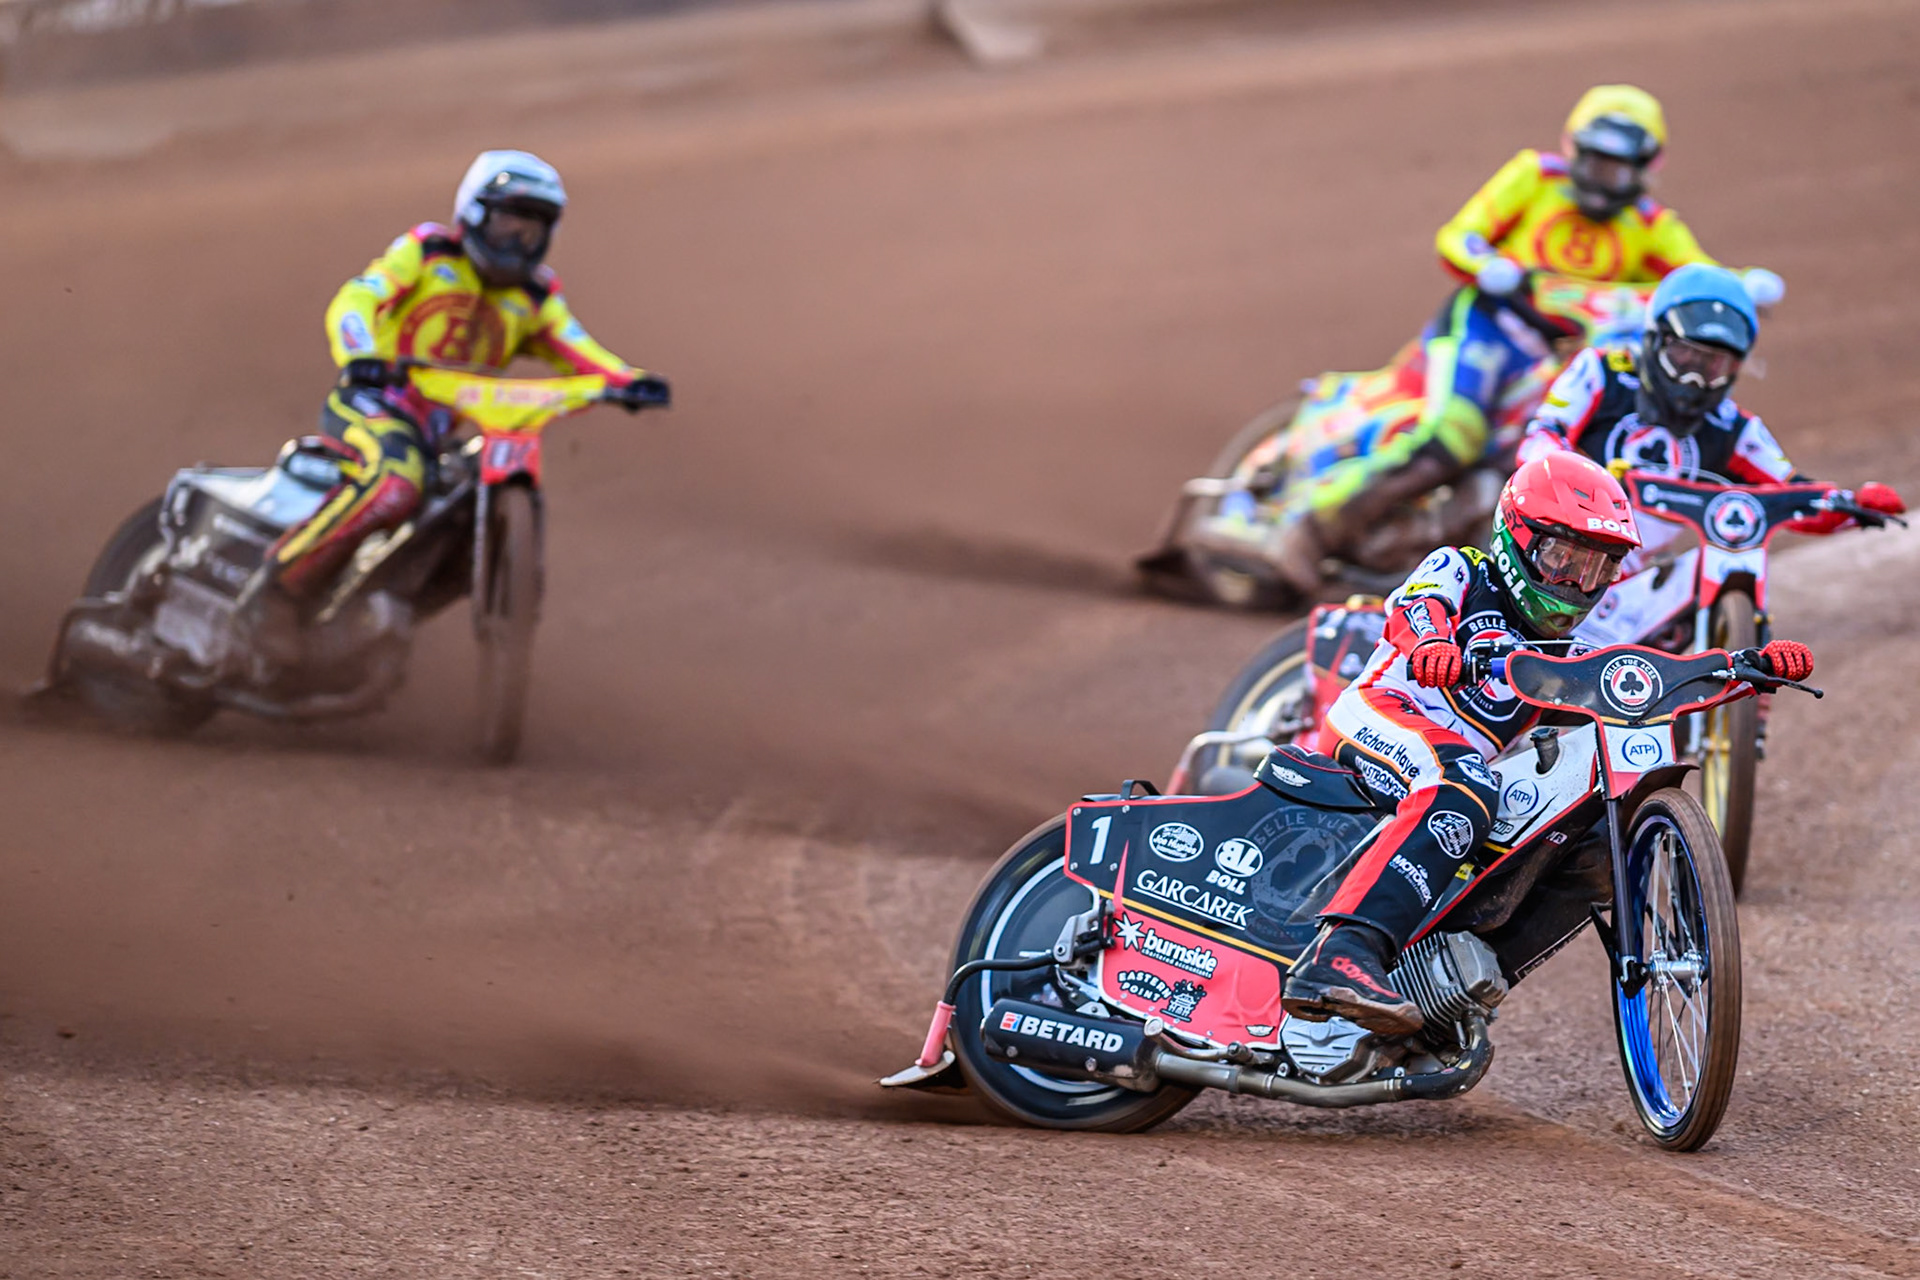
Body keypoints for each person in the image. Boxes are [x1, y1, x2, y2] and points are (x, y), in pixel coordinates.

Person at [1278, 452, 1813, 1034]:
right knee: (1463, 784)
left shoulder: (1573, 646)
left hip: (1455, 770)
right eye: (1563, 559)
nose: (1578, 585)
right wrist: (1431, 645)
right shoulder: (1462, 568)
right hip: (1381, 715)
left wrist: (1743, 668)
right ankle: (1340, 953)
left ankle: (1450, 990)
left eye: (1598, 569)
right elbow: (1416, 606)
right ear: (1517, 538)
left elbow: (1649, 676)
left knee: (1596, 841)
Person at [1268, 85, 1782, 594]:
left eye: (1619, 169)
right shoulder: (1533, 179)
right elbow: (1458, 236)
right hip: (1489, 329)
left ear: (1648, 167)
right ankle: (1310, 530)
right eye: (1596, 162)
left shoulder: (1649, 225)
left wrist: (1741, 286)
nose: (1603, 182)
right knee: (1456, 433)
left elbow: (1699, 280)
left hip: (1557, 355)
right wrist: (1487, 265)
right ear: (1572, 150)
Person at [246, 150, 670, 637]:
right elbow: (360, 296)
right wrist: (359, 351)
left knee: (464, 517)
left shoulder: (534, 298)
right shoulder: (427, 253)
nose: (517, 239)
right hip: (375, 403)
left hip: (438, 436)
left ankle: (368, 624)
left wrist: (628, 381)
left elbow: (579, 348)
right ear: (473, 213)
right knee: (395, 483)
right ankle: (276, 590)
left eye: (531, 229)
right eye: (508, 222)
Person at [1518, 262, 1906, 564]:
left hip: (1641, 574)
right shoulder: (1602, 372)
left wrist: (1854, 507)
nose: (1694, 377)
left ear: (1734, 368)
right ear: (1655, 340)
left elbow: (1790, 490)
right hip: (1554, 553)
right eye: (1684, 356)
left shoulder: (1736, 428)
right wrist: (1584, 477)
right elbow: (1540, 437)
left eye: (1712, 365)